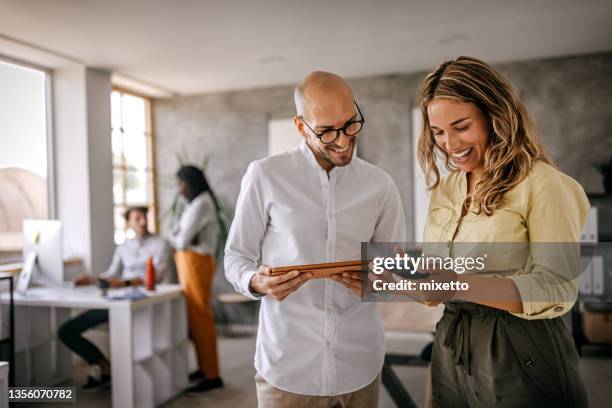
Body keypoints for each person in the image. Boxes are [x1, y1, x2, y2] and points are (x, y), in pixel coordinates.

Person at [414, 56, 589, 407]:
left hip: (521, 346)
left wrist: (457, 283)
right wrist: (406, 280)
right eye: (437, 132)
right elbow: (437, 283)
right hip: (452, 343)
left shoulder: (544, 184)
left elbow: (557, 287)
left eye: (461, 126)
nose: (448, 143)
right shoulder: (446, 189)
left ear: (496, 116)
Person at [225, 71, 406, 407]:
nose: (343, 140)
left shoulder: (380, 185)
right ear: (300, 126)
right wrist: (256, 281)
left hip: (360, 364)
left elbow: (397, 268)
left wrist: (381, 280)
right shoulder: (265, 176)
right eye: (326, 131)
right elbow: (236, 257)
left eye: (351, 124)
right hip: (288, 368)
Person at [58, 206, 169, 391]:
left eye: (144, 217)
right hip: (116, 301)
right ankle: (105, 367)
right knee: (66, 331)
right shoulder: (123, 247)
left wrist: (123, 283)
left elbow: (156, 277)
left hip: (141, 302)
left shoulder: (160, 244)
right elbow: (111, 274)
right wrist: (93, 279)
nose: (142, 222)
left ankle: (125, 379)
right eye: (137, 218)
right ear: (128, 223)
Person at [168, 165, 224, 393]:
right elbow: (179, 235)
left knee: (201, 317)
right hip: (191, 262)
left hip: (196, 263)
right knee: (196, 317)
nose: (179, 189)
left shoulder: (201, 203)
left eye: (181, 184)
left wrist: (177, 234)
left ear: (190, 183)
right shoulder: (196, 203)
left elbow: (179, 240)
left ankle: (212, 375)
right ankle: (204, 369)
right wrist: (179, 234)